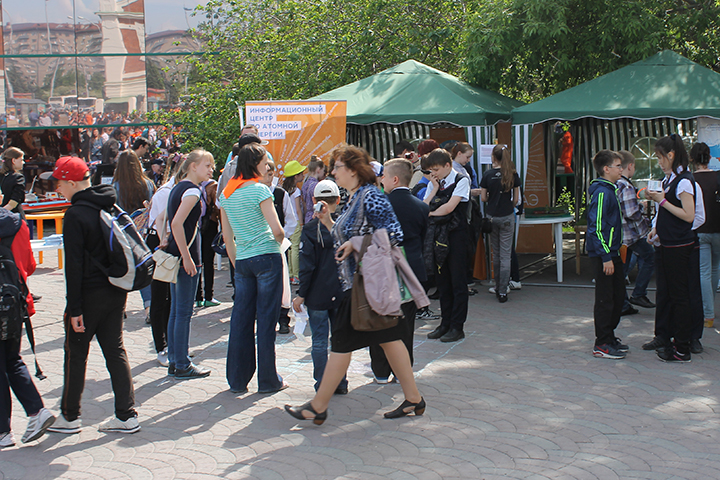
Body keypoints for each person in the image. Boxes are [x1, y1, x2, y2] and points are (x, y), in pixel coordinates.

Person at [285, 146, 425, 424]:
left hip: (366, 285)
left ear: (352, 169)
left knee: (342, 344)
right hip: (359, 285)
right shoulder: (356, 196)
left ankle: (318, 405)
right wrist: (328, 222)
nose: (333, 172)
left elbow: (395, 234)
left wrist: (357, 243)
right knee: (388, 338)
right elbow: (348, 236)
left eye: (337, 167)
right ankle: (413, 399)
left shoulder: (371, 196)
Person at [47, 156, 140, 434]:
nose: (57, 188)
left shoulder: (75, 214)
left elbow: (73, 267)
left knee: (76, 354)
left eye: (60, 183)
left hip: (87, 296)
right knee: (115, 350)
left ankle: (71, 417)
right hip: (115, 291)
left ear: (73, 183)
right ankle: (126, 415)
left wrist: (74, 308)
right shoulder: (109, 203)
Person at [219, 144, 286, 394]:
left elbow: (227, 237)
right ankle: (268, 380)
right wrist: (277, 244)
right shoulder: (260, 190)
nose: (267, 166)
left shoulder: (227, 192)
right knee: (266, 321)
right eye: (265, 161)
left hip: (244, 260)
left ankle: (237, 380)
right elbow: (278, 230)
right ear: (255, 163)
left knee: (241, 320)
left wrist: (238, 263)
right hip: (266, 256)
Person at [0, 208, 55, 447]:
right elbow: (29, 265)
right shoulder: (18, 223)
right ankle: (36, 411)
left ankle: (3, 431)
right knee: (11, 359)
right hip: (14, 304)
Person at [370, 159, 428, 382]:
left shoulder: (378, 205)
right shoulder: (422, 207)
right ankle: (402, 370)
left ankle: (381, 371)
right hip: (412, 271)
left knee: (380, 322)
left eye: (383, 175)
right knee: (407, 325)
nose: (380, 179)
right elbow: (421, 240)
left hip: (383, 272)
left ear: (394, 179)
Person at [644, 134, 697, 362]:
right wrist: (657, 228)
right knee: (670, 294)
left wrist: (662, 201)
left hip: (679, 245)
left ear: (671, 155)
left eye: (660, 157)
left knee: (679, 296)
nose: (659, 161)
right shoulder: (671, 180)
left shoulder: (684, 181)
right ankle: (672, 340)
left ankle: (682, 347)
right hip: (668, 243)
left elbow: (689, 215)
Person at [293, 179, 348, 394]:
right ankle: (340, 382)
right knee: (339, 340)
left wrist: (301, 294)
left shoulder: (310, 229)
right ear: (338, 200)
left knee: (319, 340)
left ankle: (322, 384)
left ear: (314, 201)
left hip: (317, 293)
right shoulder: (343, 226)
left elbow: (307, 266)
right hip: (340, 291)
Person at [165, 149, 215, 379]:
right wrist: (187, 256)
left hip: (176, 255)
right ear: (193, 166)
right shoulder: (192, 190)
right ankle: (182, 363)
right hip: (185, 258)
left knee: (176, 311)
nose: (211, 170)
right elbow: (177, 224)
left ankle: (176, 360)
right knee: (183, 312)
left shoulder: (177, 187)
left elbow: (170, 223)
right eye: (207, 165)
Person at [424, 148, 471, 342]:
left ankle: (457, 326)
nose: (433, 173)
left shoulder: (462, 180)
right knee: (443, 282)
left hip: (457, 236)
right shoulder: (434, 183)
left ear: (447, 165)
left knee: (458, 282)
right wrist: (434, 189)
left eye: (436, 169)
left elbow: (450, 207)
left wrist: (431, 214)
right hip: (438, 237)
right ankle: (445, 323)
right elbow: (423, 205)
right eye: (430, 170)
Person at [586, 150, 627, 359]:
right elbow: (596, 227)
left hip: (613, 252)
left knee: (618, 296)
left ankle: (609, 336)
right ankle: (601, 343)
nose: (621, 169)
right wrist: (605, 257)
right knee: (605, 299)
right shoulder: (602, 193)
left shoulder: (611, 190)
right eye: (618, 165)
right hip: (605, 254)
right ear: (606, 169)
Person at [260, 158, 297, 334]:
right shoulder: (255, 193)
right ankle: (267, 319)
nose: (267, 178)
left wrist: (282, 239)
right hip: (260, 246)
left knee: (283, 284)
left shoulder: (280, 194)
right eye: (264, 174)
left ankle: (283, 318)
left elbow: (290, 220)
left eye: (269, 174)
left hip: (279, 245)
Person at [616, 150, 655, 314]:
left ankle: (623, 304)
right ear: (630, 166)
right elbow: (631, 213)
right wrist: (642, 207)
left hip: (623, 235)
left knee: (623, 270)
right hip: (631, 234)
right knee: (650, 256)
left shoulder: (616, 183)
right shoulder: (626, 185)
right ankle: (638, 293)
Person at [481, 145, 521, 302]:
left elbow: (483, 198)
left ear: (493, 157)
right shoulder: (512, 174)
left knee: (496, 254)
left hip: (492, 217)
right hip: (507, 216)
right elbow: (516, 199)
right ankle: (503, 291)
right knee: (506, 255)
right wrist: (508, 206)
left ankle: (497, 285)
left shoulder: (488, 175)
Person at [690, 142, 720, 330]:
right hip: (718, 229)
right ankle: (710, 307)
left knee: (704, 272)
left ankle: (707, 314)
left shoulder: (690, 180)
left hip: (700, 230)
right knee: (715, 270)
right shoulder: (718, 177)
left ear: (692, 159)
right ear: (709, 158)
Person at [195, 178, 221, 308]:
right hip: (210, 225)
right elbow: (218, 206)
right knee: (209, 263)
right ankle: (209, 296)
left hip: (198, 226)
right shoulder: (213, 185)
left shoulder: (196, 186)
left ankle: (198, 297)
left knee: (198, 262)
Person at [283, 160, 308, 285]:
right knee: (295, 248)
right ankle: (296, 275)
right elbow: (299, 209)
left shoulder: (284, 190)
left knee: (289, 248)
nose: (303, 175)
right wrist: (302, 223)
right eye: (301, 173)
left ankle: (289, 274)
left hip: (287, 221)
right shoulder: (296, 191)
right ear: (296, 176)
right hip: (296, 222)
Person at [0, 148, 27, 219]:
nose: (23, 162)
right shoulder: (18, 177)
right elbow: (14, 202)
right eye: (21, 160)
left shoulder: (2, 176)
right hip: (14, 218)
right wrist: (2, 213)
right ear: (13, 160)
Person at [301, 157, 326, 224]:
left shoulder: (305, 184)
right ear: (318, 170)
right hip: (315, 217)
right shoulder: (317, 185)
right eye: (323, 170)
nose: (324, 173)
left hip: (307, 217)